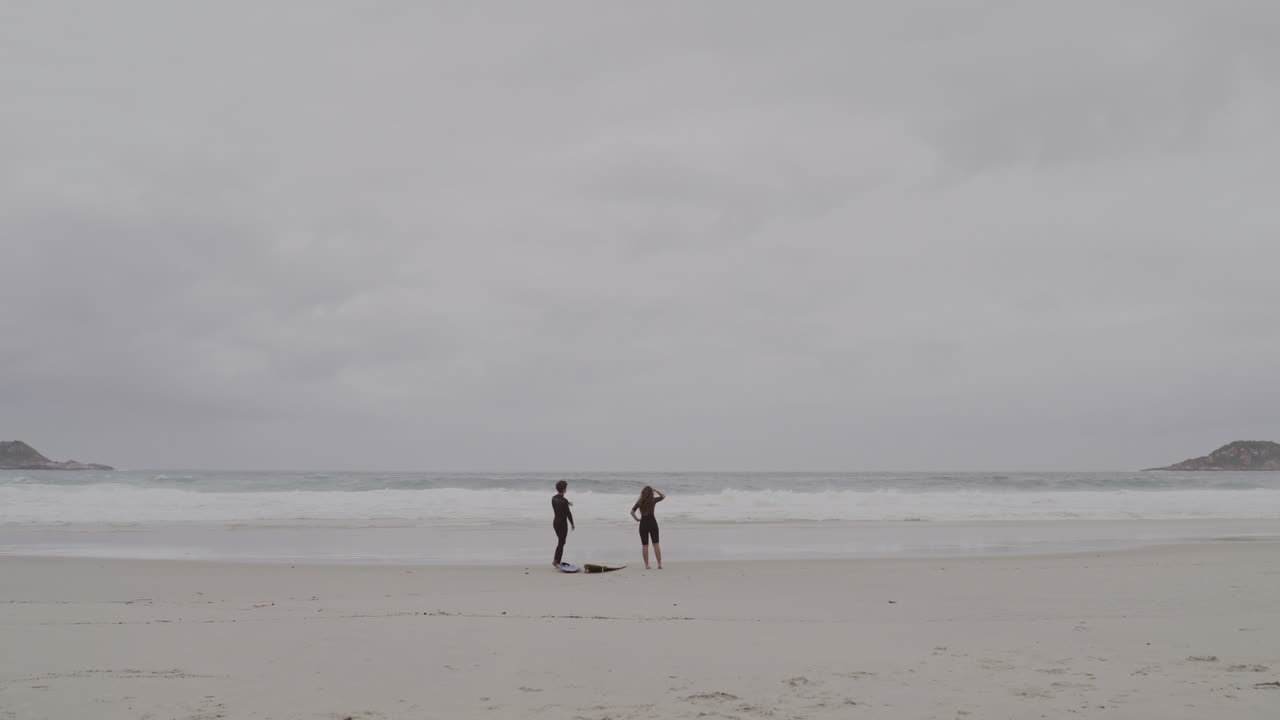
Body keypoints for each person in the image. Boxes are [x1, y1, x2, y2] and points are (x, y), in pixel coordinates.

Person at [630, 485, 665, 569]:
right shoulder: (653, 500)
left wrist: (637, 519)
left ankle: (647, 565)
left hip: (643, 524)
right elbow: (663, 496)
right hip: (652, 523)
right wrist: (655, 490)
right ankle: (659, 564)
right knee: (656, 544)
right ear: (650, 493)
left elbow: (632, 512)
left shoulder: (640, 501)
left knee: (645, 545)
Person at [551, 480, 574, 568]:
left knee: (561, 542)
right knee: (561, 542)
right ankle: (556, 561)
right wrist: (572, 524)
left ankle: (556, 560)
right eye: (566, 488)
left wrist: (567, 503)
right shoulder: (564, 501)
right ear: (564, 489)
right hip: (562, 524)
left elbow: (559, 502)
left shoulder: (553, 498)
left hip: (555, 523)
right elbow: (568, 513)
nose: (566, 489)